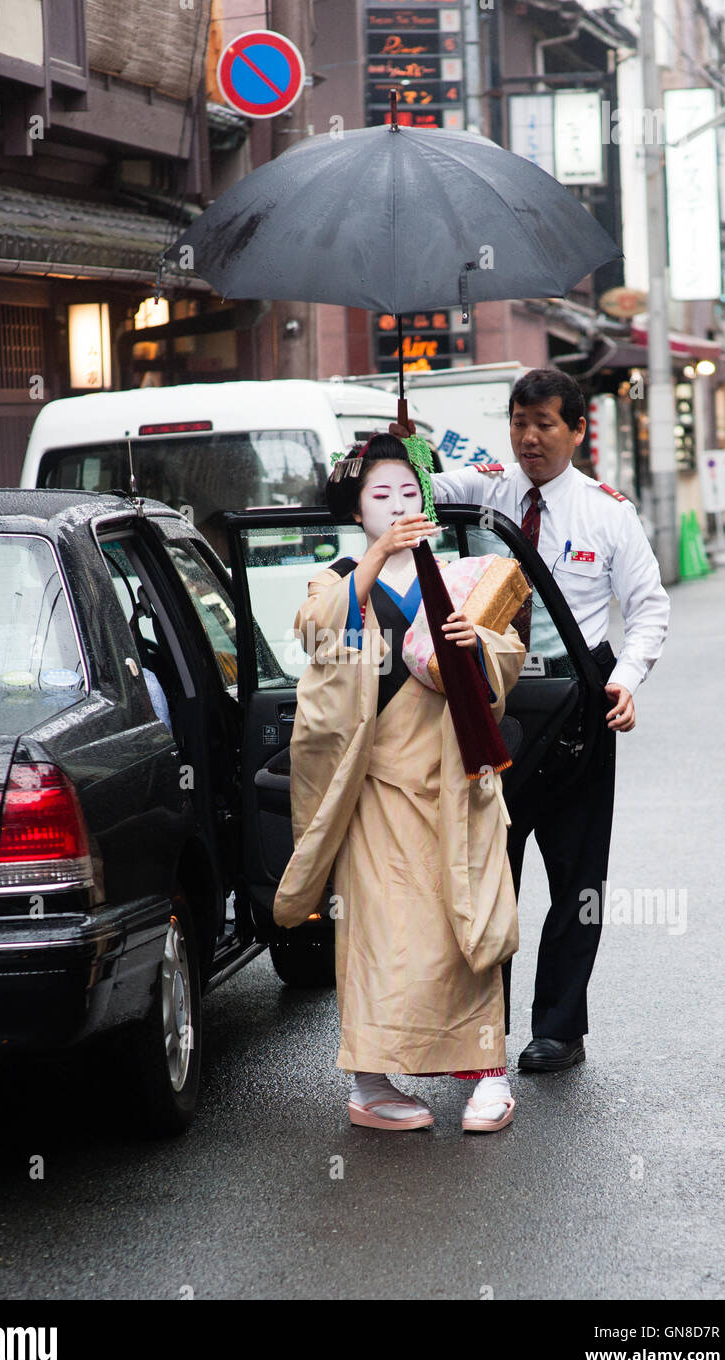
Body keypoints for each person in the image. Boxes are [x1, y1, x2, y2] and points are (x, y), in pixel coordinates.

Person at [272, 433, 525, 1132]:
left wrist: (479, 647)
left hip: (452, 782)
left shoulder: (462, 576)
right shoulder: (338, 579)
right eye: (380, 497)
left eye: (409, 494)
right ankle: (371, 1082)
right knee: (381, 939)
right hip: (377, 790)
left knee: (464, 927)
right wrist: (379, 559)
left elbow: (507, 651)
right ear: (358, 512)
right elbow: (317, 635)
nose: (398, 506)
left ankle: (488, 1075)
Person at [429, 367, 670, 1071]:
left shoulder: (607, 512)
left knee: (576, 876)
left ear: (577, 431)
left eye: (544, 425)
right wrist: (405, 451)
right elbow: (413, 493)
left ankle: (560, 1029)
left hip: (577, 707)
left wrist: (624, 681)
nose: (529, 438)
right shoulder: (487, 488)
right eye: (519, 422)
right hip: (492, 702)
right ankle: (481, 1027)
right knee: (485, 870)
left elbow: (649, 607)